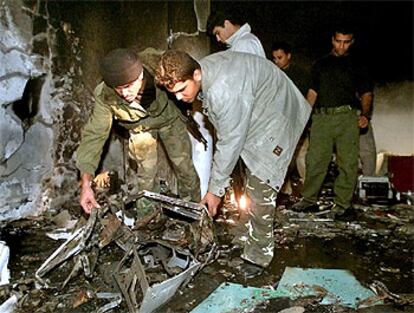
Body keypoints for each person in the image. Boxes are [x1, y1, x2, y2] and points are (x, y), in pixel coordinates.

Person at [155, 50, 311, 278]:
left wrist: (215, 191)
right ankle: (251, 233)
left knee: (261, 187)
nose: (179, 98)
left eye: (181, 90)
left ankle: (259, 257)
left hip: (278, 117)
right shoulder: (204, 71)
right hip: (261, 109)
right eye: (173, 93)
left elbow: (230, 141)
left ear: (196, 74)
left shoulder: (223, 89)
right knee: (248, 176)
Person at [76, 48, 200, 215]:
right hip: (139, 128)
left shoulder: (159, 67)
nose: (125, 93)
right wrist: (86, 185)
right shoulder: (105, 95)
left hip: (169, 121)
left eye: (128, 86)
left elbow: (189, 71)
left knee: (184, 168)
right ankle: (148, 220)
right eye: (118, 88)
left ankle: (192, 213)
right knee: (146, 176)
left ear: (140, 75)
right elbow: (94, 136)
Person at [292, 25, 374, 217]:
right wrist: (303, 116)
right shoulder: (320, 65)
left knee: (348, 162)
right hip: (321, 118)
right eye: (338, 41)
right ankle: (309, 199)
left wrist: (365, 115)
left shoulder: (357, 64)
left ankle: (342, 204)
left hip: (347, 117)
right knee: (315, 160)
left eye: (346, 42)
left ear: (351, 42)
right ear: (332, 40)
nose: (342, 46)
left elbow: (366, 93)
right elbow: (312, 93)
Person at [271, 41, 310, 195]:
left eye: (280, 57)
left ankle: (308, 190)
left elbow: (306, 99)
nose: (277, 61)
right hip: (279, 123)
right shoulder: (273, 73)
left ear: (289, 56)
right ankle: (284, 189)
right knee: (282, 157)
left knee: (301, 156)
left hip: (298, 122)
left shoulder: (301, 75)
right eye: (274, 58)